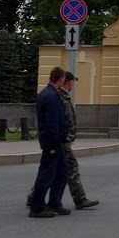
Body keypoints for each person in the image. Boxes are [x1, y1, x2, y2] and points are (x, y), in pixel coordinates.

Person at [27, 70, 99, 211]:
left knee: (56, 171)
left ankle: (48, 201)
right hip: (57, 141)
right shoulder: (54, 96)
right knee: (56, 170)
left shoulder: (54, 95)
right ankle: (75, 200)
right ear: (63, 80)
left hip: (58, 141)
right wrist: (59, 141)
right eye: (70, 81)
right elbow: (54, 121)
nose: (72, 84)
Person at [28, 66, 70, 218]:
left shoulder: (46, 93)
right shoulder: (51, 96)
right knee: (47, 174)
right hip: (53, 143)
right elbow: (52, 122)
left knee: (62, 172)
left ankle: (54, 202)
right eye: (64, 79)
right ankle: (37, 207)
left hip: (52, 141)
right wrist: (57, 141)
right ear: (60, 79)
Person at [59, 71, 99, 210]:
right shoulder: (59, 97)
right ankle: (80, 199)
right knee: (71, 167)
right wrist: (67, 138)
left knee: (52, 170)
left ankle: (33, 196)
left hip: (63, 140)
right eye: (72, 82)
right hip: (62, 141)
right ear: (67, 81)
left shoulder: (63, 96)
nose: (73, 85)